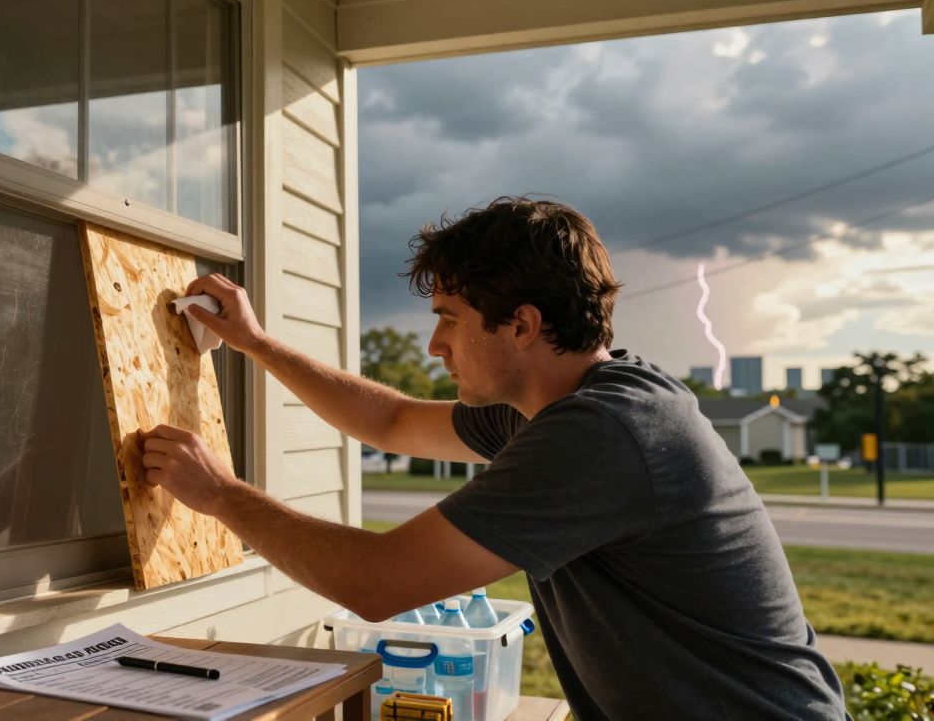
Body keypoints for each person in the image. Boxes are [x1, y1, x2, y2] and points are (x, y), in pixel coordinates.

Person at [139, 196, 847, 720]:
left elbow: (377, 582)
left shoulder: (601, 434)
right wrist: (257, 343)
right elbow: (388, 420)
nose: (434, 345)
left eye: (448, 317)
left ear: (523, 325)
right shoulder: (561, 408)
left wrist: (222, 495)